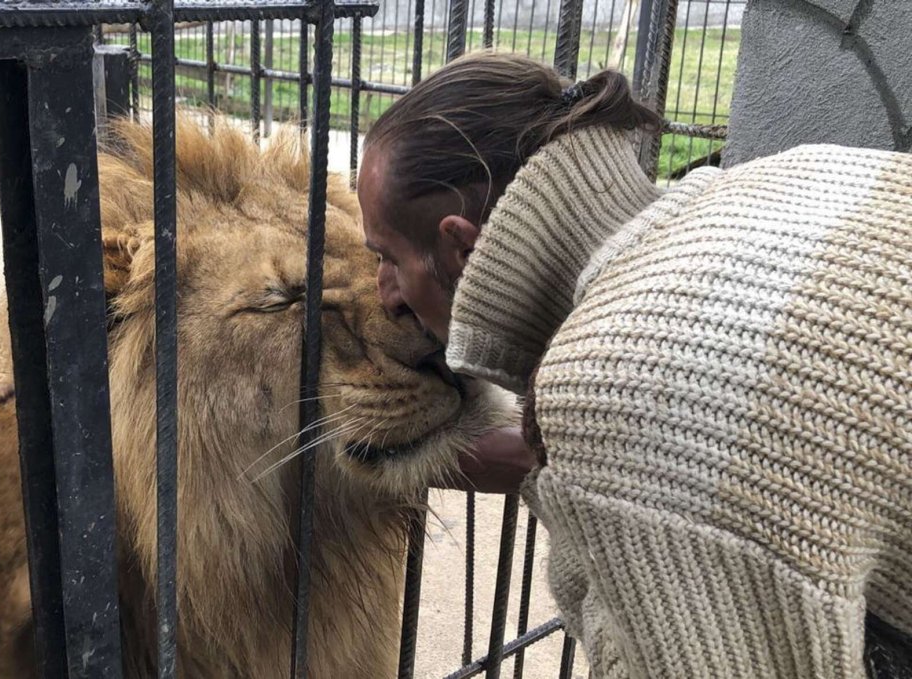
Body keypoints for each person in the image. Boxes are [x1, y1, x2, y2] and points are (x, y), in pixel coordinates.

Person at [358, 51, 912, 679]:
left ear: (460, 247)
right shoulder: (787, 173)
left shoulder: (614, 381)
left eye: (388, 257)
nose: (386, 294)